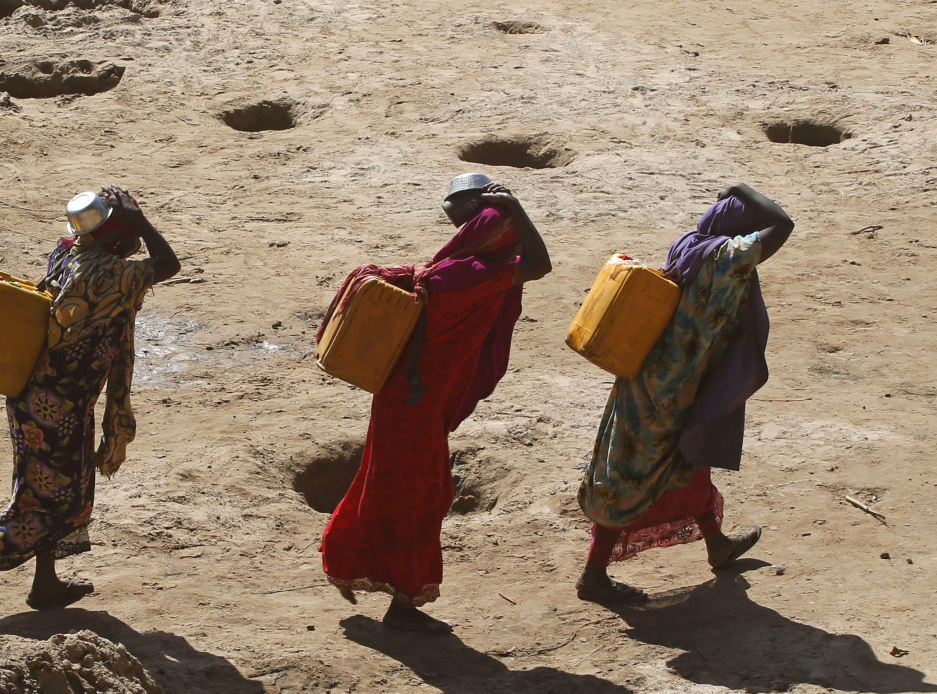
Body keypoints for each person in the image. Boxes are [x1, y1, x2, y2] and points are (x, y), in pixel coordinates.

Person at [319, 173, 551, 633]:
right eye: (508, 231)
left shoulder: (442, 271)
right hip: (420, 408)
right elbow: (540, 265)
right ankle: (403, 603)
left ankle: (350, 563)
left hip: (402, 399)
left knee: (387, 485)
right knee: (421, 499)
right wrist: (517, 208)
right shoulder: (479, 275)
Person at [0, 185, 179, 614]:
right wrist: (140, 219)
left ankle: (46, 586)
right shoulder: (109, 272)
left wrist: (118, 217)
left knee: (51, 488)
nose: (137, 245)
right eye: (131, 237)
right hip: (58, 406)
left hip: (38, 395)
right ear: (114, 239)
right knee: (58, 499)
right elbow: (168, 265)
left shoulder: (70, 250)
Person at [575, 183, 793, 602]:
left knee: (684, 462)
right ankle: (593, 574)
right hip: (680, 383)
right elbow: (783, 224)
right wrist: (742, 189)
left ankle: (717, 545)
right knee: (633, 472)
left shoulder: (689, 244)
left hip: (648, 374)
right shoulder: (727, 258)